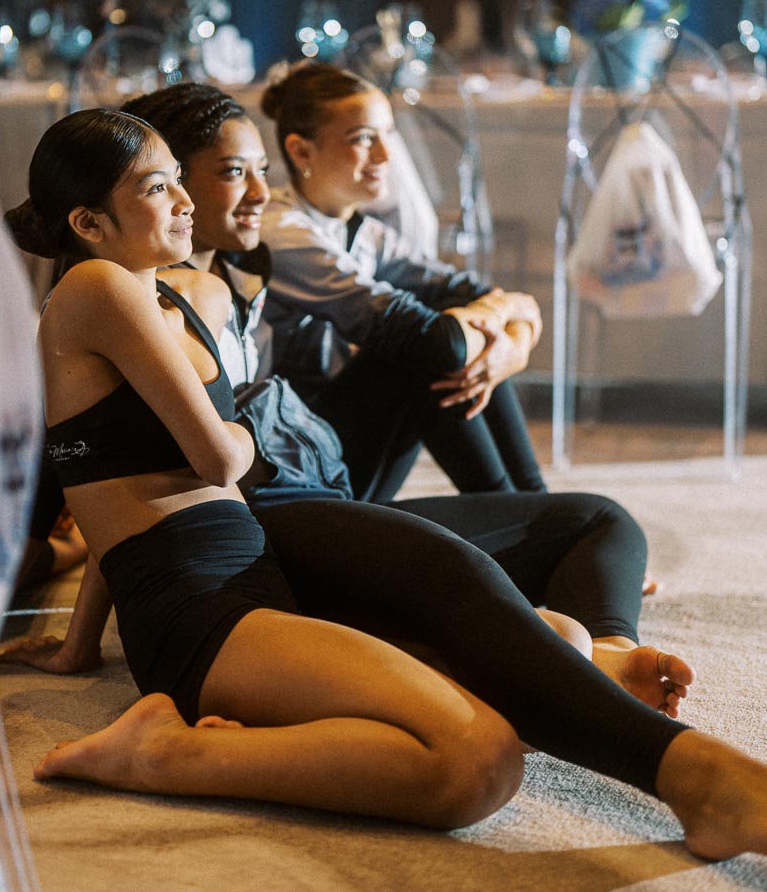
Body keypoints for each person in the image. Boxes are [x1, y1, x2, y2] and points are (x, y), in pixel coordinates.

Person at [1, 107, 767, 861]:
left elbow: (114, 488)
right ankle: (164, 754)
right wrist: (252, 425)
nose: (185, 201)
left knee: (556, 640)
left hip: (252, 577)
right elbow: (218, 463)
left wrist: (77, 647)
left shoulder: (157, 296)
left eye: (178, 181)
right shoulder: (98, 289)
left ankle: (682, 760)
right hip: (199, 607)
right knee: (477, 765)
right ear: (89, 224)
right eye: (158, 188)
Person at [121, 82, 663, 693]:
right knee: (423, 370)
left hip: (319, 476)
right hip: (285, 508)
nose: (258, 194)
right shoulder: (246, 253)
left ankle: (607, 645)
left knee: (602, 523)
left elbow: (463, 296)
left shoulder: (239, 265)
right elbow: (431, 344)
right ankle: (584, 651)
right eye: (363, 138)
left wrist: (508, 332)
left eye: (260, 173)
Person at [256, 60, 549, 502]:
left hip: (340, 445)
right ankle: (531, 524)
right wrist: (500, 320)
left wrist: (511, 346)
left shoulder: (365, 232)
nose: (386, 156)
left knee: (452, 337)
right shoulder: (282, 233)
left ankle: (543, 514)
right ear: (300, 151)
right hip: (294, 464)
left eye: (387, 134)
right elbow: (436, 342)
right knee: (421, 349)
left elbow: (485, 296)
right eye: (362, 139)